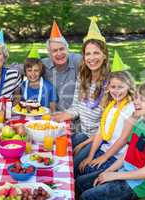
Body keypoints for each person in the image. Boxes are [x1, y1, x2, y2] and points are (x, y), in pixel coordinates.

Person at [77, 81, 145, 200]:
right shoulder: (139, 123)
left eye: (143, 100)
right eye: (136, 98)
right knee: (80, 182)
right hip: (124, 171)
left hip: (136, 184)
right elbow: (126, 154)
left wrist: (114, 175)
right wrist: (107, 172)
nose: (136, 102)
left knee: (87, 196)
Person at [53, 17, 110, 171]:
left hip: (99, 138)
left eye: (96, 53)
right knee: (57, 148)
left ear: (104, 55)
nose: (92, 58)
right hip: (82, 131)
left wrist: (85, 143)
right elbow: (77, 105)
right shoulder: (83, 76)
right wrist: (66, 114)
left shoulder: (110, 84)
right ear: (84, 57)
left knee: (72, 164)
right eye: (88, 54)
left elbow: (109, 126)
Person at [76, 70, 135, 179]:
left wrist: (104, 157)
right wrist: (90, 156)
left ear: (129, 87)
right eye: (113, 87)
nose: (116, 91)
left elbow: (124, 139)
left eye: (120, 87)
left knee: (83, 175)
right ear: (108, 88)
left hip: (117, 156)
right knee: (79, 167)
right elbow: (101, 132)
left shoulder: (130, 109)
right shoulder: (110, 106)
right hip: (105, 148)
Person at [41, 21, 82, 111]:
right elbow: (24, 67)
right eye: (55, 51)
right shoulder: (43, 65)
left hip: (74, 116)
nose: (59, 53)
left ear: (67, 49)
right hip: (51, 116)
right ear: (49, 54)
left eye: (62, 49)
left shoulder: (78, 61)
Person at [20, 47, 58, 112]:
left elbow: (53, 110)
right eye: (29, 70)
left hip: (43, 119)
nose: (33, 73)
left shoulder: (49, 88)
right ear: (25, 72)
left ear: (41, 71)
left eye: (36, 70)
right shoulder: (22, 86)